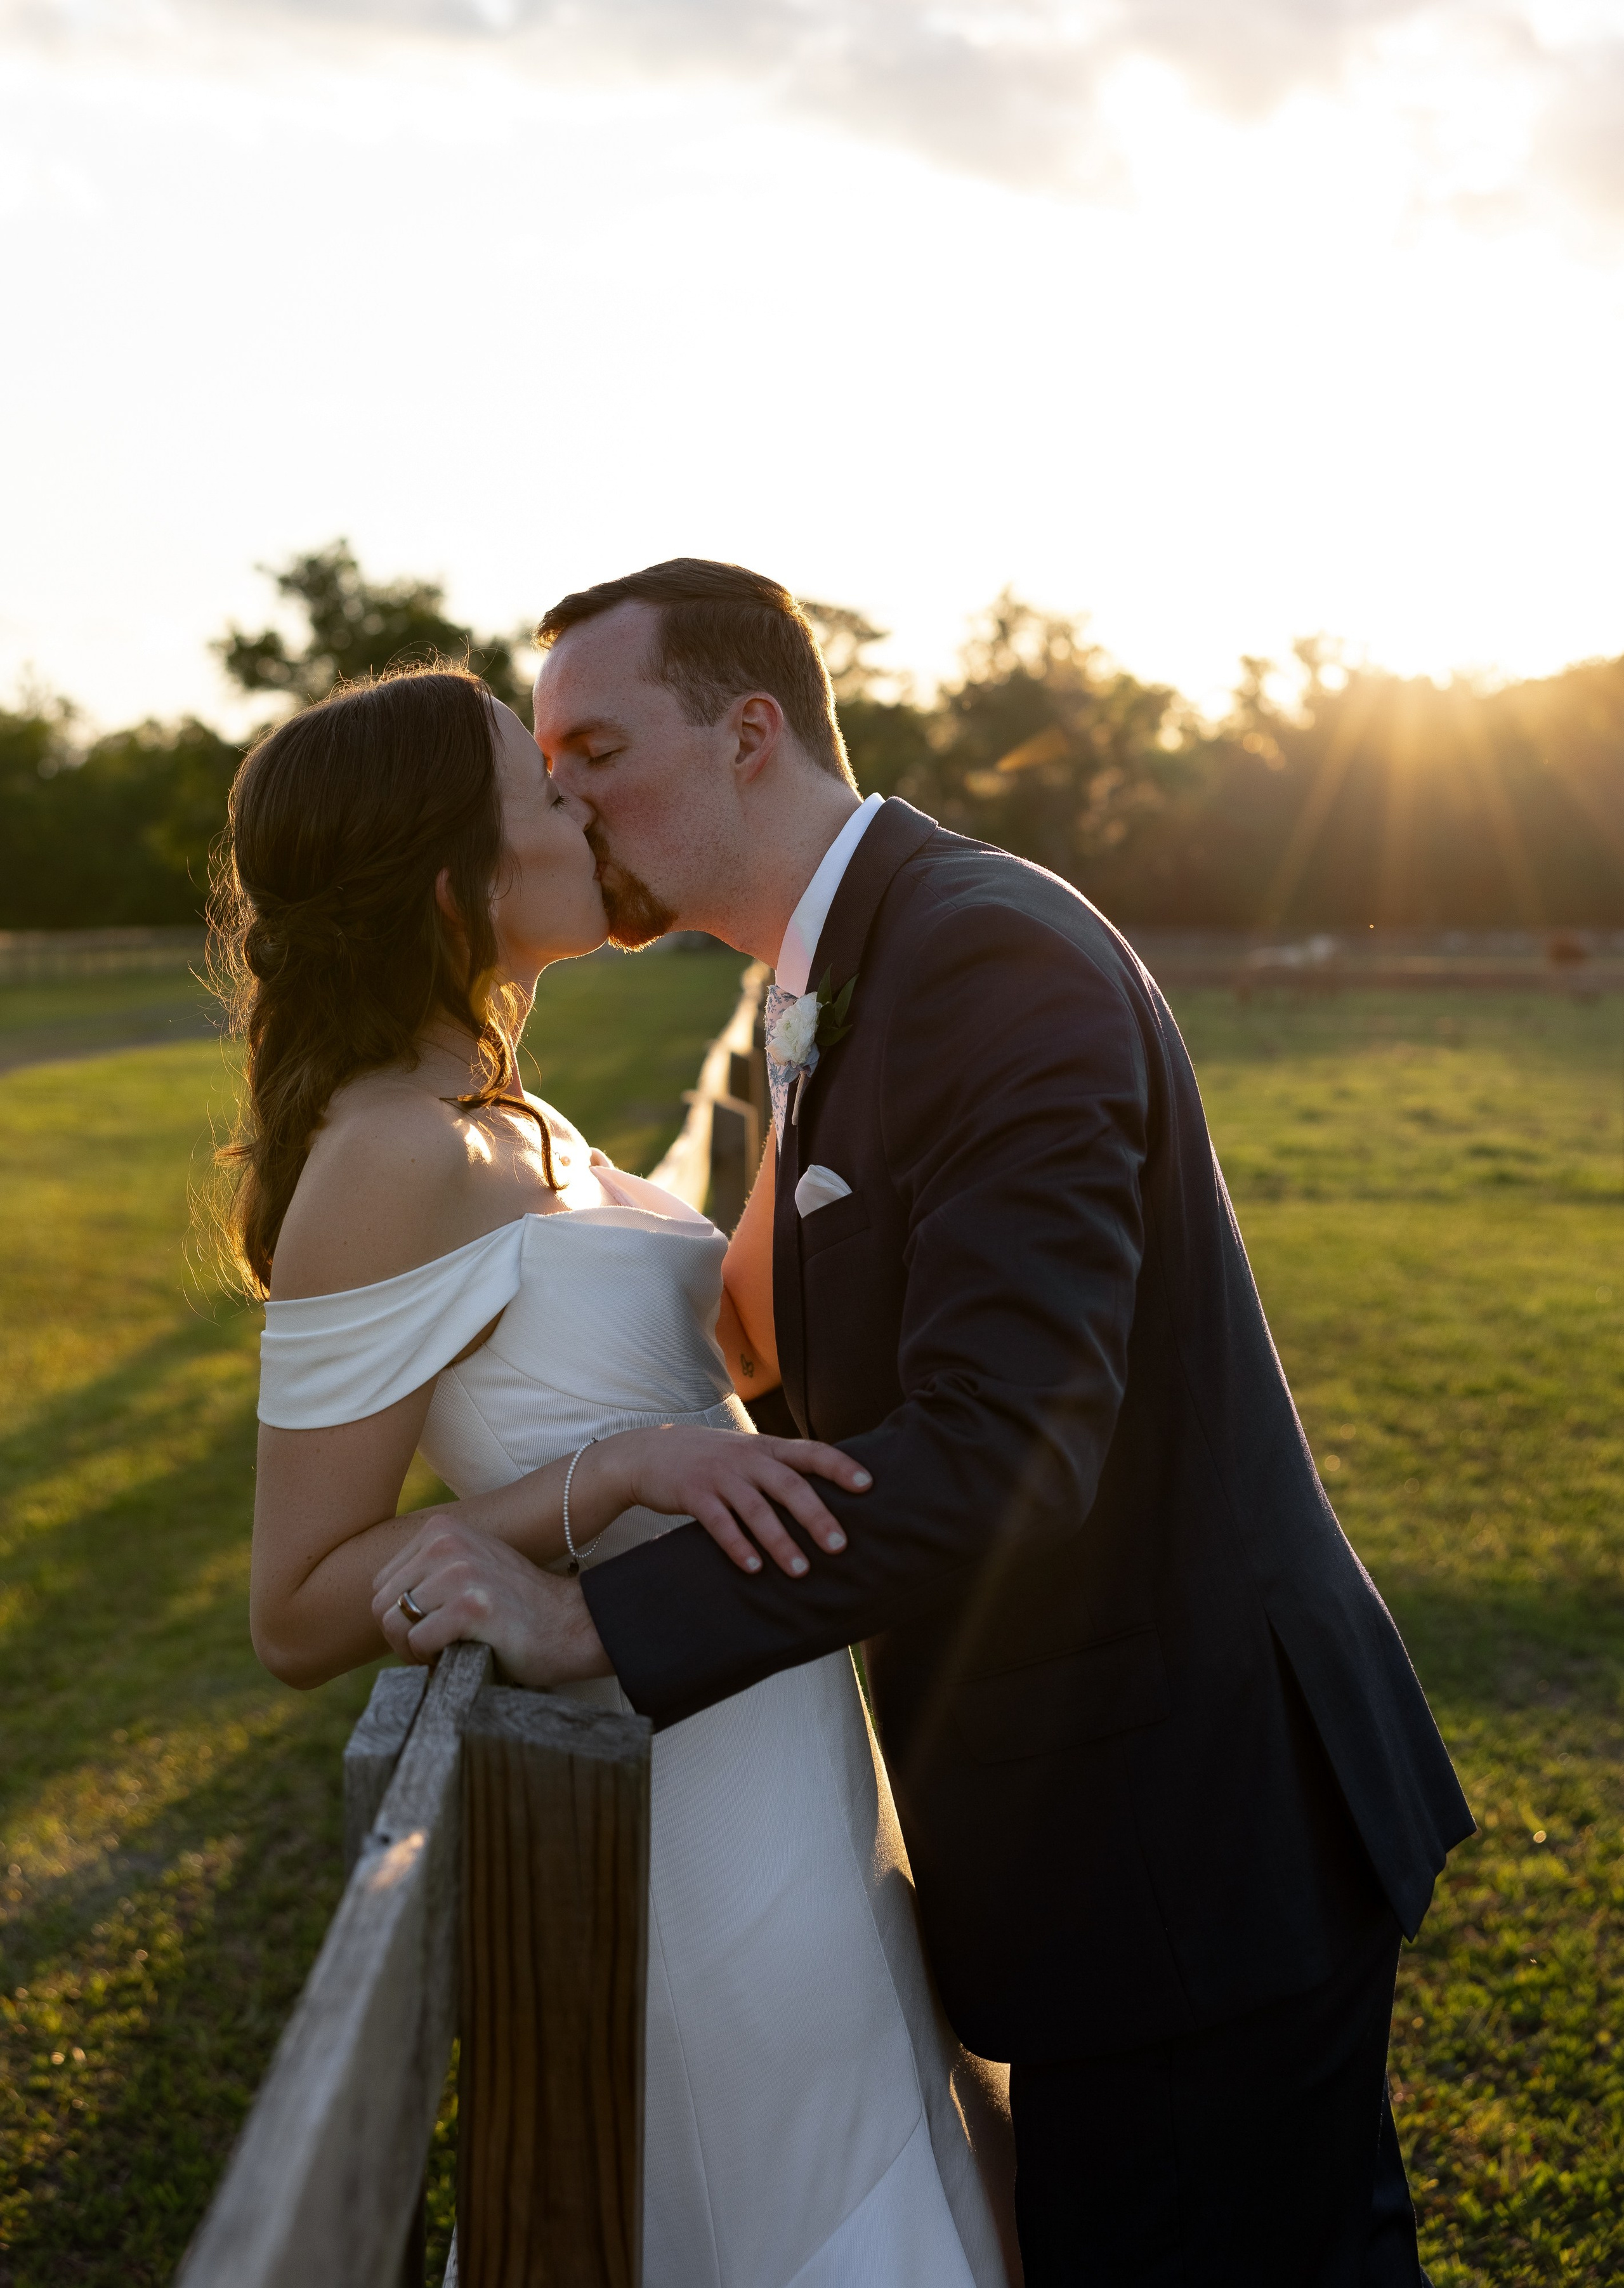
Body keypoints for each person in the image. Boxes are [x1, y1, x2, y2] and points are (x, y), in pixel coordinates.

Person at [397, 559, 1476, 2285]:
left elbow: (1005, 1448)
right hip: (1108, 1832)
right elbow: (823, 1332)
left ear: (752, 732)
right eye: (552, 756)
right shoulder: (825, 971)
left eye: (595, 742)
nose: (564, 790)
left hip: (1190, 1838)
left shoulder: (980, 953)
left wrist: (586, 1613)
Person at [223, 664, 1019, 2288]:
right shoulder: (389, 1154)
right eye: (546, 791)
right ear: (455, 881)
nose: (583, 807)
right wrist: (608, 1479)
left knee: (881, 2130)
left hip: (776, 1715)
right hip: (656, 1772)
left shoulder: (517, 1118)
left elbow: (700, 1356)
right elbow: (297, 1611)